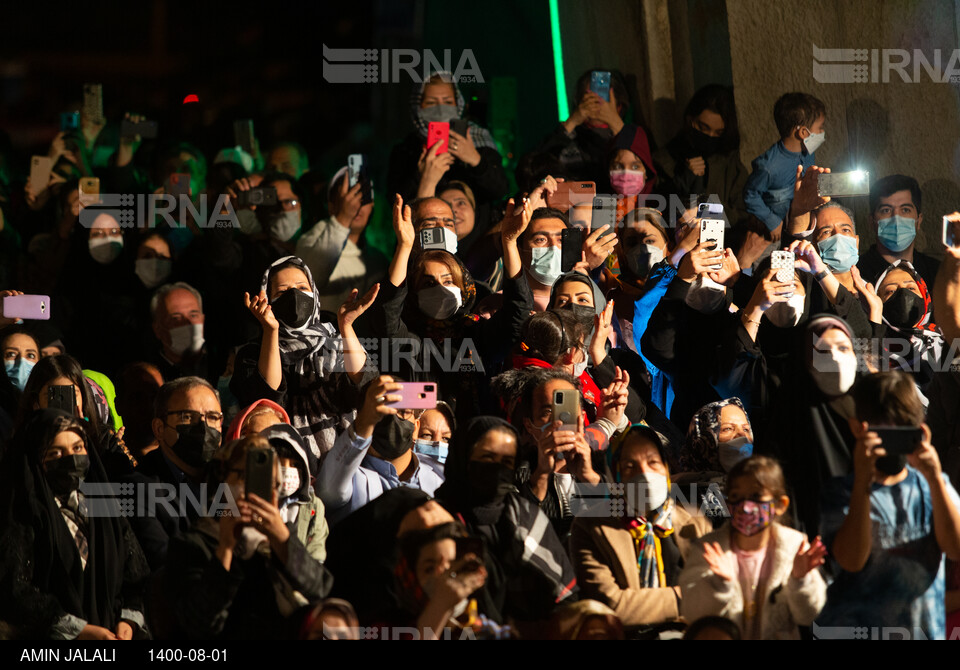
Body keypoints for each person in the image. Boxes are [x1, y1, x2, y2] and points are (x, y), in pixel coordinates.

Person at [817, 371, 960, 640]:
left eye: (903, 429)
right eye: (884, 431)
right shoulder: (842, 492)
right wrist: (863, 482)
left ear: (920, 429)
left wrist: (934, 477)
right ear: (859, 427)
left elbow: (955, 549)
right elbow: (851, 561)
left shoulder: (933, 485)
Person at [163, 434, 333, 640]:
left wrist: (282, 540)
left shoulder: (278, 540)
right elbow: (198, 624)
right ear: (222, 480)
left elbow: (321, 591)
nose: (255, 489)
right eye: (245, 477)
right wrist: (225, 548)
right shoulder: (193, 544)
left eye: (269, 482)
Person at [0, 410, 149, 640]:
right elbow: (14, 589)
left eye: (78, 448)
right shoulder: (20, 515)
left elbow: (136, 576)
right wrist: (78, 630)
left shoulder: (105, 508)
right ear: (36, 459)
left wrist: (128, 622)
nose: (71, 458)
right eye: (55, 453)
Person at [435, 416, 578, 632]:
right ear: (463, 457)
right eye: (487, 457)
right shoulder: (435, 519)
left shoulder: (526, 516)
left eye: (506, 462)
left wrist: (588, 476)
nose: (497, 470)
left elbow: (566, 595)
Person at [570, 424, 710, 634]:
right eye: (630, 466)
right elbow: (612, 607)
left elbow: (712, 596)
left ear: (666, 468)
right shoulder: (591, 526)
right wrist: (685, 597)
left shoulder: (694, 521)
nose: (644, 473)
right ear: (616, 476)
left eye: (653, 462)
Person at [233, 255, 376, 457]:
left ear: (314, 293)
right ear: (267, 299)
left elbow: (366, 386)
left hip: (351, 459)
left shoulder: (337, 339)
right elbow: (268, 402)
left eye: (302, 288)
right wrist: (271, 331)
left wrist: (346, 326)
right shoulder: (252, 353)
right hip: (287, 463)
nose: (294, 296)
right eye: (282, 292)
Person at [679, 455, 827, 639]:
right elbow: (692, 612)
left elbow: (807, 615)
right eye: (735, 496)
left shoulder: (794, 547)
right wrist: (718, 584)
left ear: (780, 505)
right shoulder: (710, 549)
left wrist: (800, 579)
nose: (745, 507)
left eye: (756, 496)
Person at [124, 376, 223, 570]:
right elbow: (166, 564)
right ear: (159, 428)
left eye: (212, 418)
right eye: (187, 417)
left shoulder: (233, 478)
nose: (203, 428)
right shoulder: (138, 490)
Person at [318, 375, 444, 524]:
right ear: (363, 418)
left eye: (402, 411)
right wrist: (365, 423)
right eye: (383, 409)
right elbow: (328, 492)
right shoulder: (348, 477)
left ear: (416, 428)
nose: (392, 416)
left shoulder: (440, 474)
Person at [388, 72, 508, 214]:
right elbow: (396, 206)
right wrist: (423, 177)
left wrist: (475, 159)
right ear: (418, 107)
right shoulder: (406, 149)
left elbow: (500, 190)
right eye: (431, 103)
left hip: (476, 234)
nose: (440, 109)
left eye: (448, 102)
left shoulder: (477, 138)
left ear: (458, 104)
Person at [654, 85, 748, 227]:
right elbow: (658, 212)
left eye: (718, 133)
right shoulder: (665, 159)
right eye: (704, 128)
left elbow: (742, 214)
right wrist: (683, 181)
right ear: (690, 120)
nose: (710, 136)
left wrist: (707, 208)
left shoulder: (729, 163)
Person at [295, 166, 386, 312]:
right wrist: (343, 219)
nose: (356, 205)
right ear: (331, 206)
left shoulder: (378, 258)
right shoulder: (310, 241)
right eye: (348, 197)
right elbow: (309, 279)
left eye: (364, 198)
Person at [742, 92, 825, 240]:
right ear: (803, 133)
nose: (822, 132)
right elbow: (750, 194)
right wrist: (771, 221)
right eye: (820, 128)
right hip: (772, 234)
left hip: (801, 225)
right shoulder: (768, 166)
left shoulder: (808, 152)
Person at [858, 174, 940, 289]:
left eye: (905, 210)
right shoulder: (856, 273)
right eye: (886, 210)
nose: (896, 218)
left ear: (919, 220)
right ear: (871, 221)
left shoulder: (937, 274)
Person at [149, 282, 211, 384]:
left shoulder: (225, 365)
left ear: (203, 319)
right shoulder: (150, 378)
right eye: (176, 318)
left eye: (193, 315)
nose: (187, 323)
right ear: (157, 329)